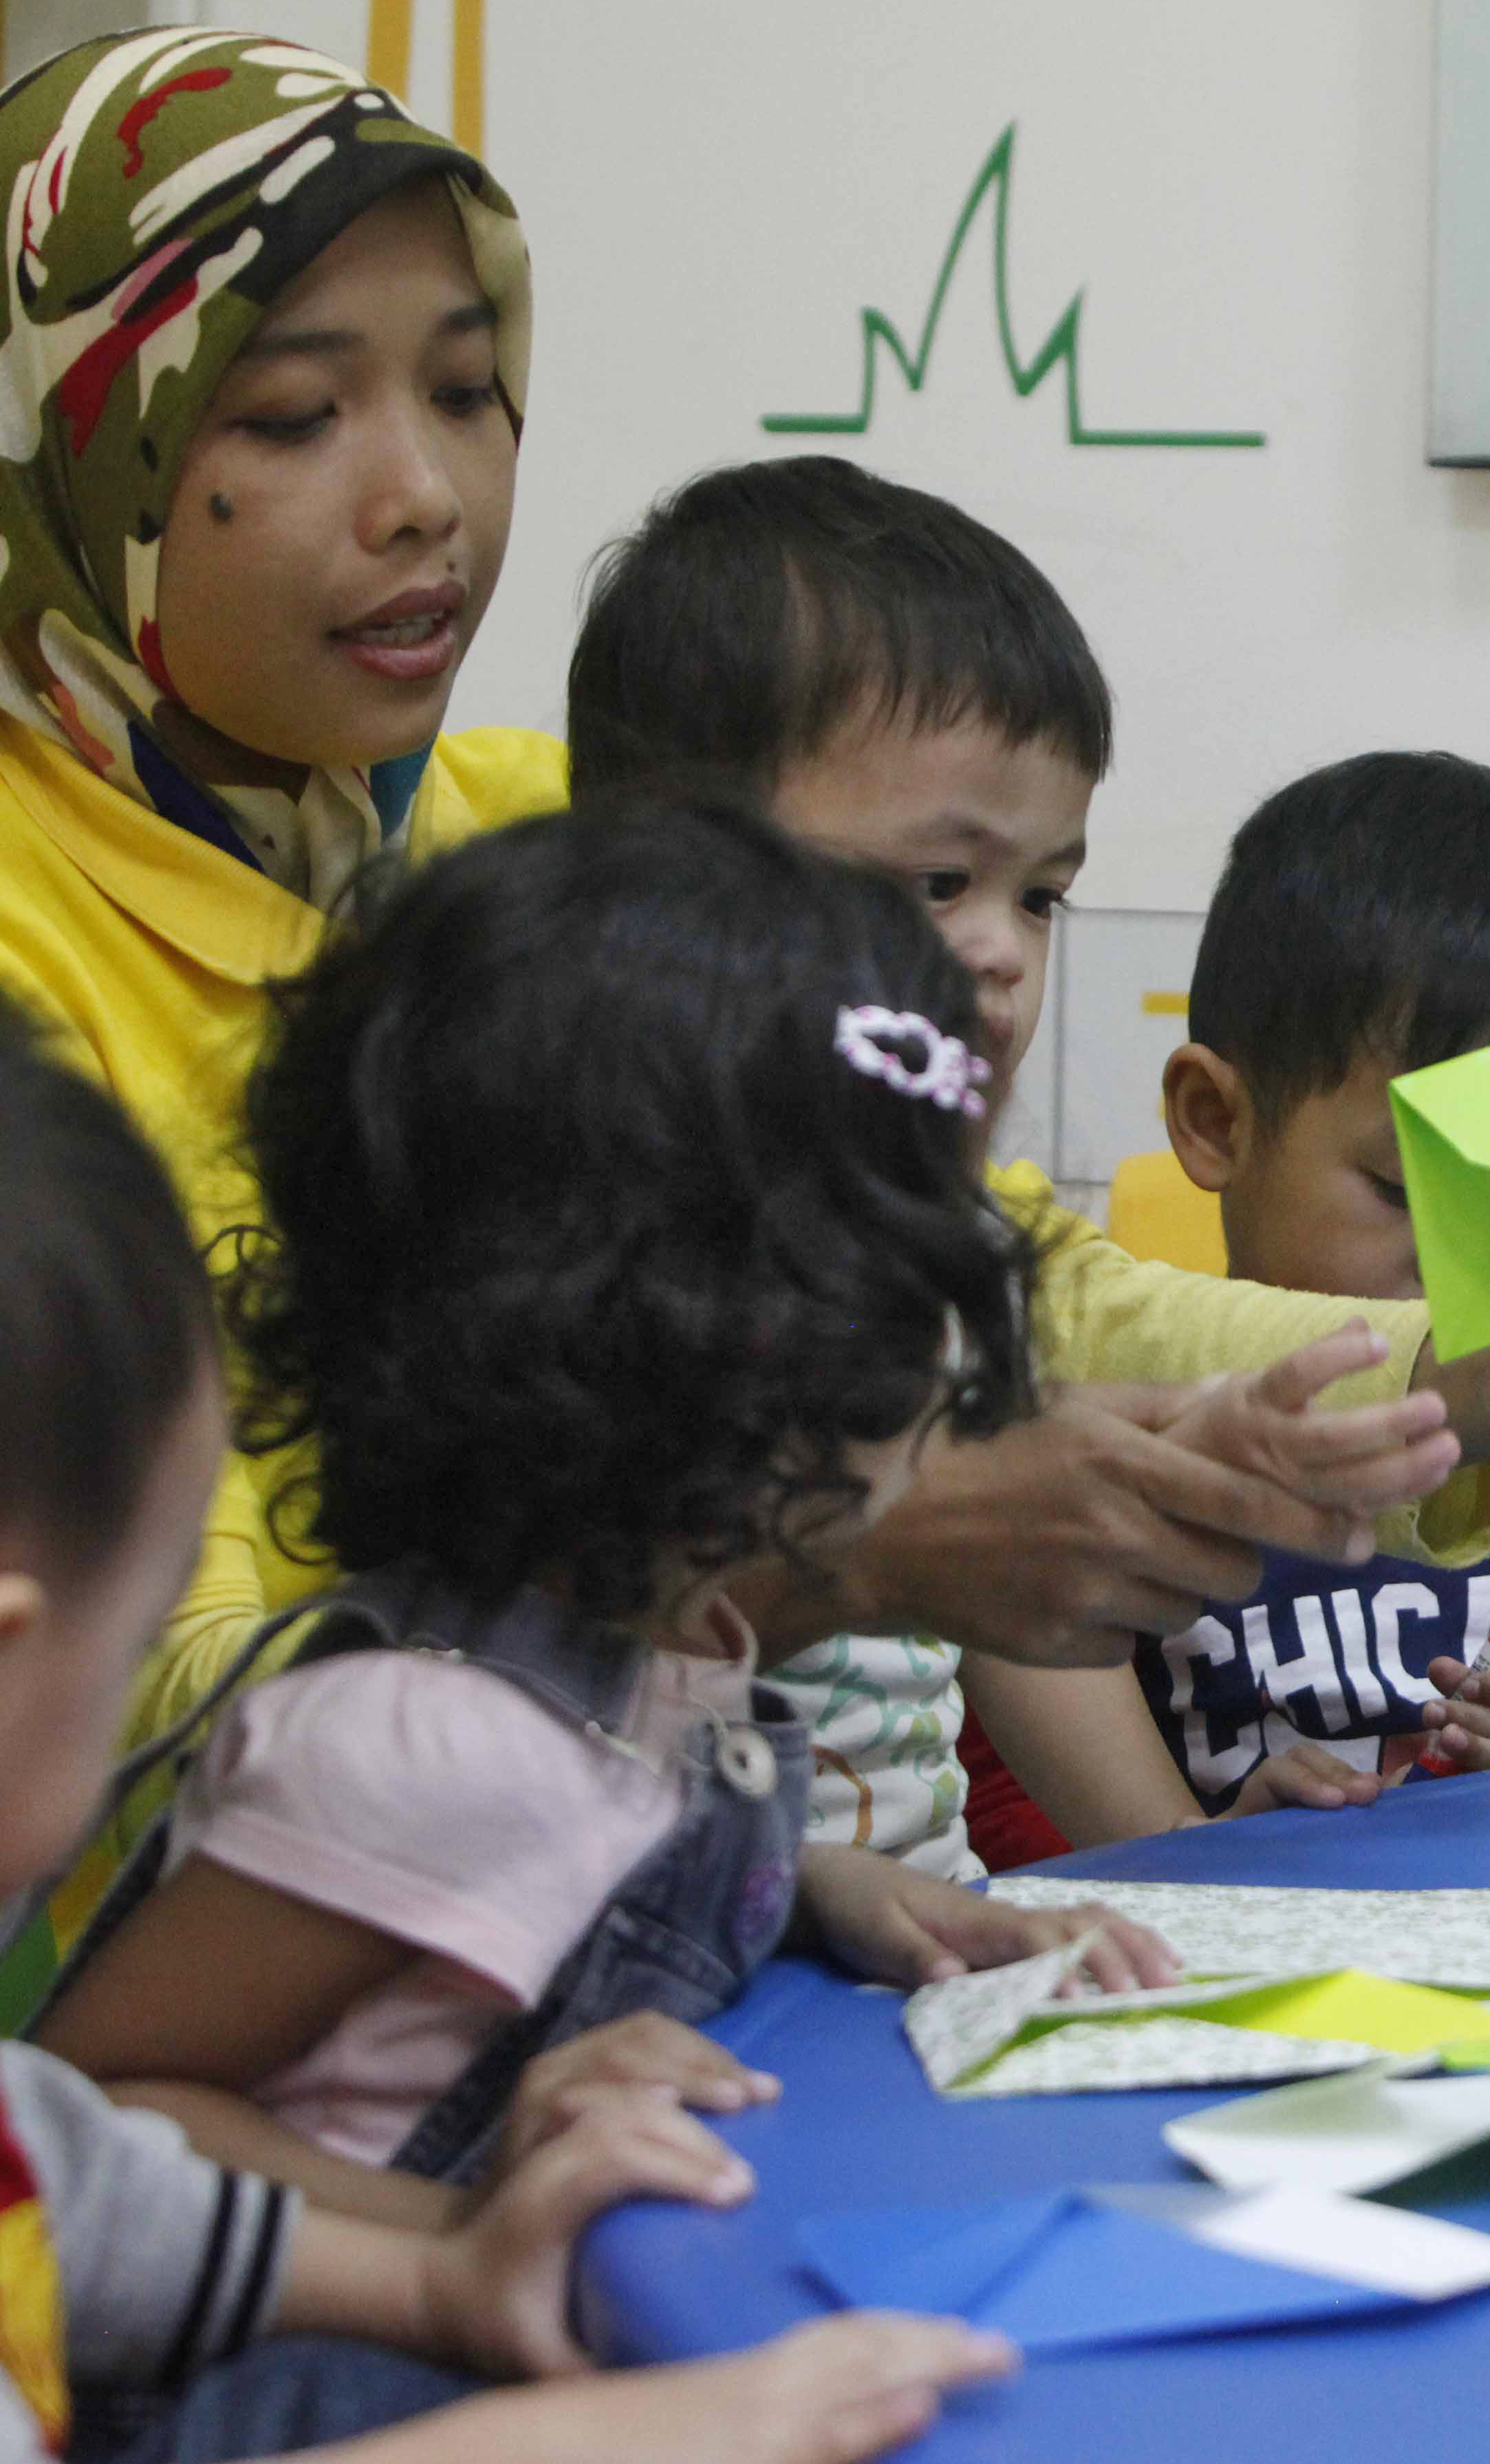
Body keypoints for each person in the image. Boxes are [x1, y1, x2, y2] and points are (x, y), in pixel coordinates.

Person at [560, 458, 1490, 1873]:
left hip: (872, 1952)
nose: (1001, 952)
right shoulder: (548, 1237)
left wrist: (1477, 1371)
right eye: (932, 883)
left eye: (1041, 893)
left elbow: (1171, 1331)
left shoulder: (957, 1242)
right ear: (653, 880)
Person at [28, 799, 1175, 2240]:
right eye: (896, 1322)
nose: (942, 1379)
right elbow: (83, 2128)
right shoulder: (427, 1744)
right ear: (687, 1349)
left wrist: (831, 1891)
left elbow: (571, 1862)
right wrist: (461, 2225)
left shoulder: (653, 1652)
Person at [0, 1009, 1014, 2463]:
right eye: (142, 1620)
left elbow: (69, 2180)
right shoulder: (434, 1738)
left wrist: (443, 2270)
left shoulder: (649, 1682)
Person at [0, 32, 567, 1767]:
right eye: (296, 416)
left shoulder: (548, 839)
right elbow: (120, 1666)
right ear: (79, 454)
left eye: (465, 394)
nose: (424, 502)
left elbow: (968, 1261)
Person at [949, 754, 1490, 1861]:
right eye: (1407, 1196)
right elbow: (1001, 1822)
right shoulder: (1119, 1462)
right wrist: (1211, 1846)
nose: (1465, 1279)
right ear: (1216, 1121)